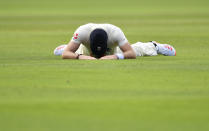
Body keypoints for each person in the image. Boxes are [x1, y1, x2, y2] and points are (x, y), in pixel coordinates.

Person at [54, 23, 176, 60]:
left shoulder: (115, 32)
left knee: (137, 49)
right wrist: (81, 57)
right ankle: (68, 46)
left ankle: (154, 46)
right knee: (78, 50)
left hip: (111, 50)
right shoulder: (82, 31)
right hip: (85, 49)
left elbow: (131, 53)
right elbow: (66, 54)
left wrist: (114, 56)